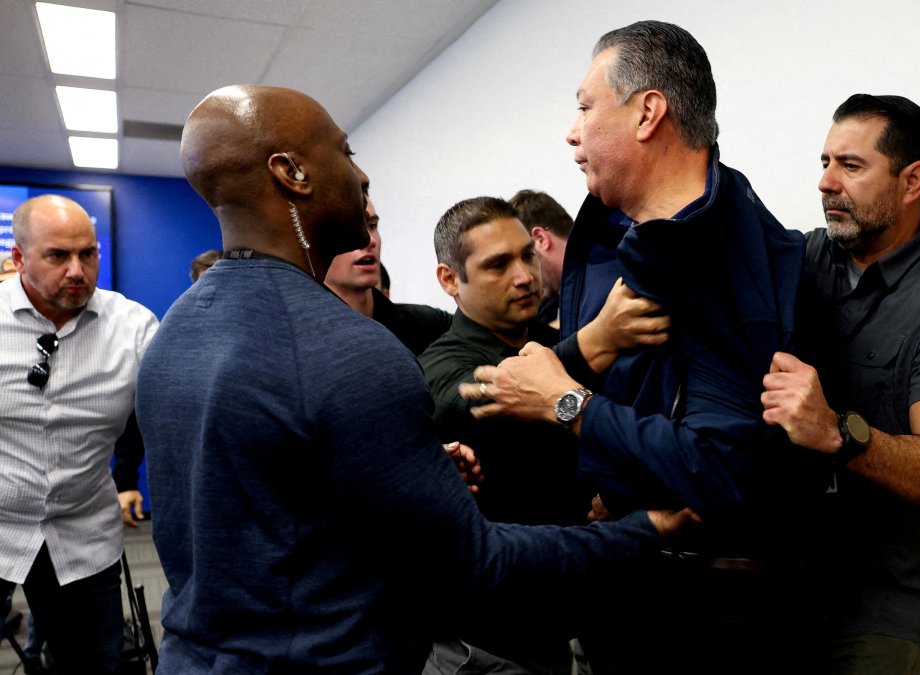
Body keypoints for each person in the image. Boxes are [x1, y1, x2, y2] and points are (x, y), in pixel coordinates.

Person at [136, 84, 694, 674]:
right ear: (292, 172)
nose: (360, 175)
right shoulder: (348, 349)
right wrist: (646, 530)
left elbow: (262, 517)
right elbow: (475, 563)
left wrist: (393, 477)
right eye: (346, 153)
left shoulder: (174, 334)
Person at [467, 21, 809, 674]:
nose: (572, 131)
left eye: (585, 106)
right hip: (633, 592)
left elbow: (717, 469)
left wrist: (565, 403)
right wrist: (614, 481)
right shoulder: (631, 236)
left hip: (704, 620)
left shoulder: (725, 258)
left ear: (648, 112)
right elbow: (658, 394)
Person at [760, 94, 920, 673]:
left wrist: (837, 432)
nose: (826, 182)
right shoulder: (808, 259)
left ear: (913, 180)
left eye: (851, 165)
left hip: (878, 618)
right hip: (783, 589)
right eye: (824, 163)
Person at [420, 196, 592, 674]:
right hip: (496, 636)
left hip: (581, 603)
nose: (523, 276)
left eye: (527, 256)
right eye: (498, 264)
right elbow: (482, 396)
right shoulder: (440, 363)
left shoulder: (555, 337)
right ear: (450, 280)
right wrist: (599, 343)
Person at [0, 194, 159, 675]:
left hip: (82, 534)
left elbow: (166, 415)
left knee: (91, 668)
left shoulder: (133, 328)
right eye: (58, 256)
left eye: (88, 254)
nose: (77, 270)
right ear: (19, 258)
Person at [325, 193, 451, 356]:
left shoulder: (425, 324)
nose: (369, 240)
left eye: (372, 225)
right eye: (350, 227)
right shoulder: (298, 338)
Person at [509, 189, 572, 327]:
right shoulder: (555, 300)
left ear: (541, 239)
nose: (523, 277)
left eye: (525, 256)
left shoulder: (598, 284)